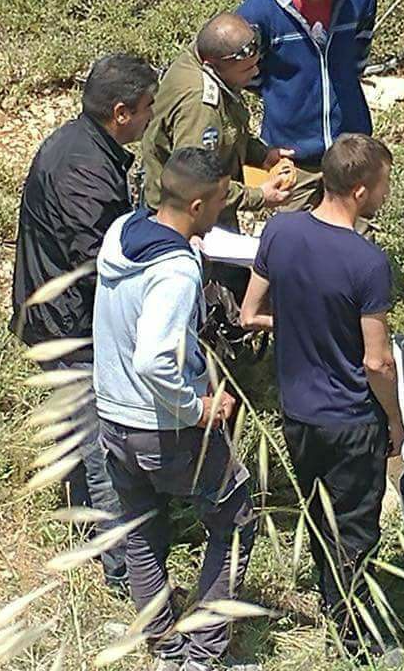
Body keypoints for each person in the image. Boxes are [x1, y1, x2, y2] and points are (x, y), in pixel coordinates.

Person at [240, 133, 404, 666]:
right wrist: (396, 421)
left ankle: (333, 605)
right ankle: (356, 640)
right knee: (355, 528)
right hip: (351, 418)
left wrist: (299, 324)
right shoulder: (368, 262)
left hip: (297, 412)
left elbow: (250, 313)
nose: (385, 193)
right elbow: (376, 362)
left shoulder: (280, 230)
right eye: (382, 184)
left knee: (317, 515)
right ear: (359, 191)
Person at [94, 149, 258, 671]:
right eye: (221, 200)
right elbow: (153, 360)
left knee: (141, 529)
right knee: (235, 516)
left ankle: (164, 645)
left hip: (113, 418)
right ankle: (202, 654)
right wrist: (197, 408)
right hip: (162, 427)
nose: (224, 208)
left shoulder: (123, 232)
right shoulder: (176, 272)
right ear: (197, 205)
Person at [11, 53, 158, 593]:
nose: (150, 118)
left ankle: (89, 537)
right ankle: (123, 571)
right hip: (67, 326)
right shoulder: (84, 168)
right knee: (101, 450)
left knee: (80, 438)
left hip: (57, 316)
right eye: (146, 108)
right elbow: (98, 258)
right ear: (121, 112)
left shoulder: (84, 146)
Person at [237, 0, 377, 175]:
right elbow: (245, 75)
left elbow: (360, 53)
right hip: (291, 157)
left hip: (353, 149)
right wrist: (284, 96)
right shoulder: (259, 13)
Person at [142, 12, 306, 226]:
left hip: (208, 208)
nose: (255, 72)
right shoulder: (200, 106)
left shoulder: (204, 60)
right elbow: (197, 181)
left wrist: (262, 155)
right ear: (212, 66)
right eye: (247, 69)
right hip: (187, 219)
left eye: (255, 64)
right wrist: (259, 196)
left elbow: (229, 133)